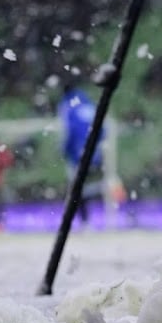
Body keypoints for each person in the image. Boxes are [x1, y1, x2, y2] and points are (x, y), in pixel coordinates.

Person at [59, 82, 105, 224]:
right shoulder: (87, 103)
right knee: (93, 183)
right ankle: (115, 211)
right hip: (95, 151)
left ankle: (84, 220)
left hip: (77, 154)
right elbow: (102, 129)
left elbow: (70, 130)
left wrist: (65, 150)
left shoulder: (68, 105)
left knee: (77, 188)